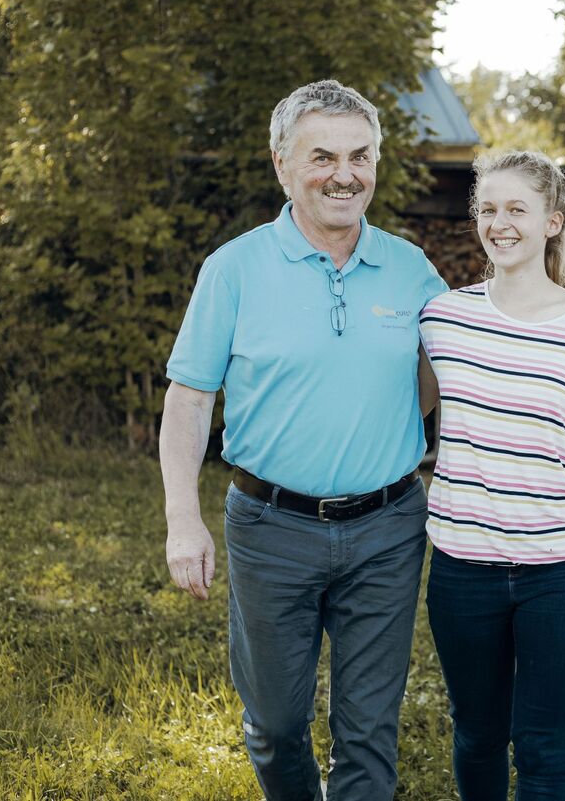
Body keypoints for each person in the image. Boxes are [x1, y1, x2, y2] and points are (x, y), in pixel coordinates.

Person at [160, 80, 448, 801]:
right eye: (323, 156)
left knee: (369, 730)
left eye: (360, 155)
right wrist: (181, 518)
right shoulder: (234, 268)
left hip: (388, 527)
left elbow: (465, 362)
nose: (344, 174)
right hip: (270, 527)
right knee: (277, 722)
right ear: (282, 163)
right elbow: (190, 398)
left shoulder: (411, 269)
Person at [418, 150, 565, 801]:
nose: (499, 223)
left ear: (552, 220)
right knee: (478, 735)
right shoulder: (444, 319)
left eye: (516, 208)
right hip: (463, 568)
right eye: (488, 209)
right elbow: (404, 408)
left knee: (545, 747)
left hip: (561, 569)